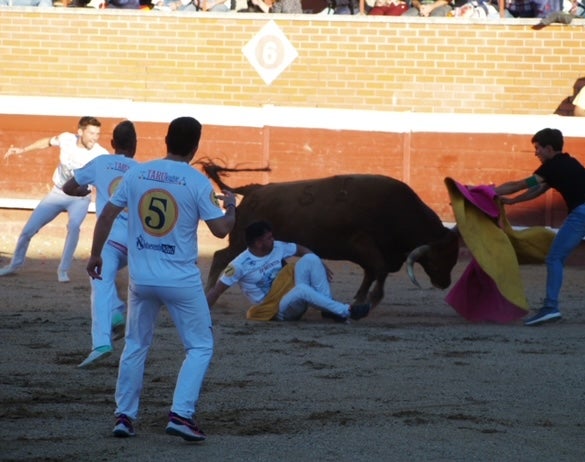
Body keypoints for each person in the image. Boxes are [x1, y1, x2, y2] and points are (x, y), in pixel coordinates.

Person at [87, 116, 236, 441]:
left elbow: (107, 214)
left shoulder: (138, 172)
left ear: (166, 139)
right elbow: (221, 230)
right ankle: (181, 414)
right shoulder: (197, 183)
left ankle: (124, 417)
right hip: (181, 279)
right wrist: (232, 209)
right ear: (195, 146)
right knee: (200, 346)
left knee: (136, 345)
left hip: (142, 278)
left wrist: (96, 254)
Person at [494, 128, 585, 326]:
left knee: (554, 258)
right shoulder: (571, 162)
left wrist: (489, 191)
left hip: (584, 213)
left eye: (538, 149)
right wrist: (511, 202)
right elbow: (538, 189)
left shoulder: (550, 168)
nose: (536, 153)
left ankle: (550, 308)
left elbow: (521, 184)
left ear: (549, 149)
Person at [62, 120, 138, 369]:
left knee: (99, 283)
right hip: (137, 243)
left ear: (113, 143)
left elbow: (69, 186)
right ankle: (119, 315)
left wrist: (84, 191)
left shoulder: (101, 162)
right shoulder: (141, 169)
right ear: (135, 145)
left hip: (110, 239)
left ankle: (101, 343)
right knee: (123, 285)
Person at [0, 116, 108, 282]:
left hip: (80, 198)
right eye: (91, 133)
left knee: (74, 227)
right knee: (28, 230)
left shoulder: (101, 154)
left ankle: (63, 270)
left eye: (97, 134)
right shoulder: (66, 139)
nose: (95, 137)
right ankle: (14, 265)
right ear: (80, 132)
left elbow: (108, 176)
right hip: (57, 193)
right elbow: (47, 142)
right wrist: (22, 150)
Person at [206, 220, 371, 323]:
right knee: (301, 289)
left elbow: (300, 249)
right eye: (269, 237)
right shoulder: (239, 265)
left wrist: (319, 263)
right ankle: (346, 311)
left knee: (311, 259)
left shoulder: (277, 247)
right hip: (277, 310)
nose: (273, 239)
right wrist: (200, 314)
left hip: (293, 297)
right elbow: (216, 291)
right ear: (258, 243)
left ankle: (329, 309)